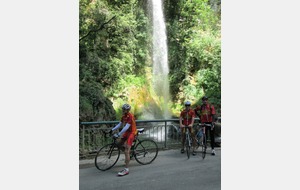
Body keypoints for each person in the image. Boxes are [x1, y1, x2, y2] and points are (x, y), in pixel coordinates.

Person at [110, 103, 137, 176]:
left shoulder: (130, 116)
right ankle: (128, 153)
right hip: (127, 132)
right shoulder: (124, 116)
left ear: (127, 110)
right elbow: (120, 124)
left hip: (132, 132)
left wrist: (119, 134)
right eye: (122, 109)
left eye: (124, 109)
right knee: (119, 144)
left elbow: (126, 127)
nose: (122, 110)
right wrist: (112, 129)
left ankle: (126, 169)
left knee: (126, 151)